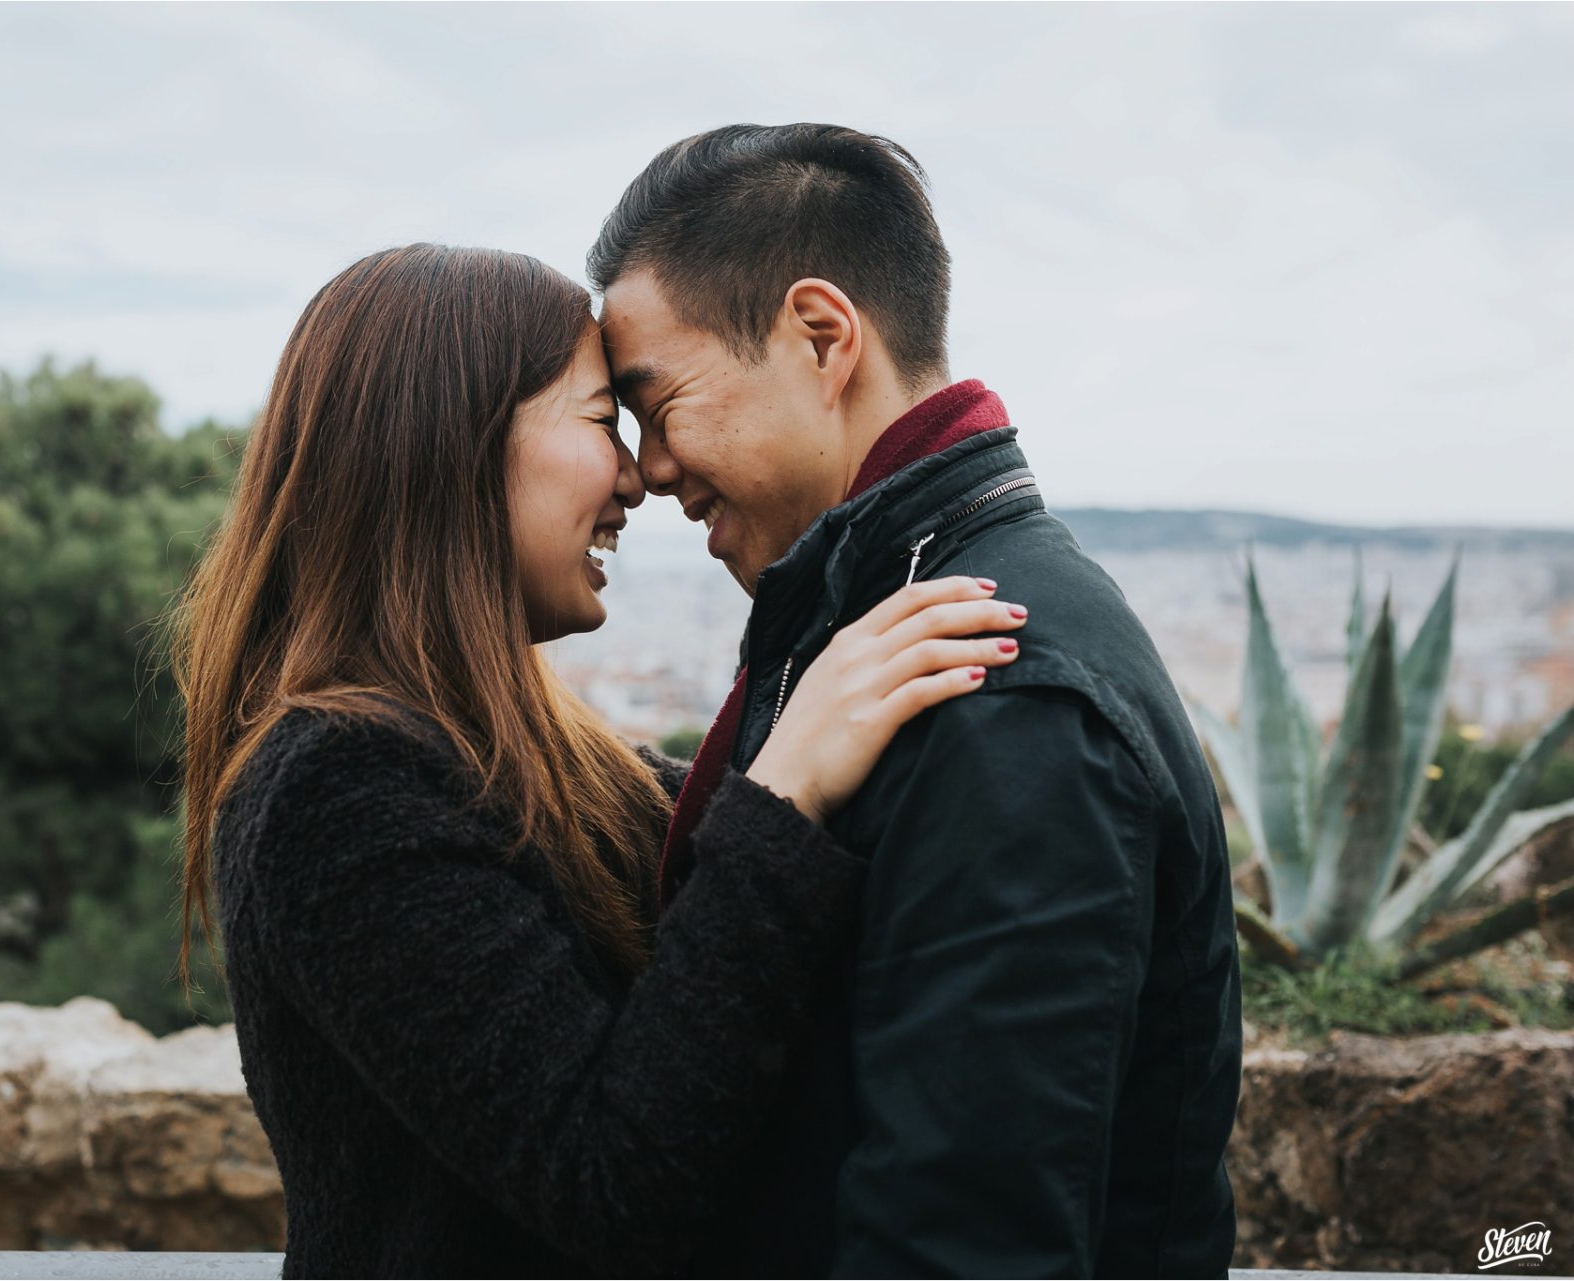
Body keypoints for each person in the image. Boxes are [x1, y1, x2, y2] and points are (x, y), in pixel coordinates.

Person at [168, 242, 1027, 1277]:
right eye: (597, 423)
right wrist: (785, 788)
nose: (636, 476)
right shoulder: (337, 788)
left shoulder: (524, 752)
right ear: (452, 446)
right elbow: (614, 1185)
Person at [591, 123, 1243, 1277]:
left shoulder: (995, 691)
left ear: (821, 336)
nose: (647, 470)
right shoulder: (883, 629)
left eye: (659, 403)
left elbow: (962, 1242)